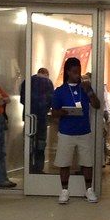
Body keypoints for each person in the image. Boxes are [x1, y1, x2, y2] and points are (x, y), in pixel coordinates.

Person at [51, 57, 101, 204]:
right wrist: (63, 112)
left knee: (87, 162)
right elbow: (54, 112)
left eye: (79, 72)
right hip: (66, 132)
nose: (77, 75)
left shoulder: (85, 88)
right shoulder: (60, 91)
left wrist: (89, 91)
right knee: (64, 162)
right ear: (68, 72)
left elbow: (97, 105)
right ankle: (65, 191)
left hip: (84, 131)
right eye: (74, 72)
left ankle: (89, 190)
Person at [22, 67, 55, 174]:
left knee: (29, 142)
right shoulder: (48, 83)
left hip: (29, 117)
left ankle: (28, 167)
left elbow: (23, 99)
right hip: (42, 117)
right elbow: (51, 100)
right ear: (46, 73)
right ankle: (39, 168)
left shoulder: (26, 81)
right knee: (41, 142)